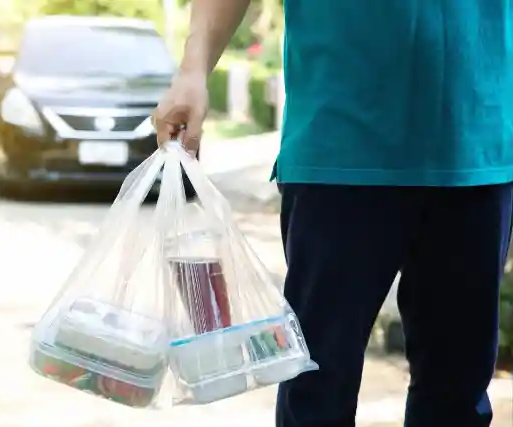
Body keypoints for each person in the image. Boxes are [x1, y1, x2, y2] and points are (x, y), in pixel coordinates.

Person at [152, 1, 513, 426]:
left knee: (457, 395)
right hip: (340, 148)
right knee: (317, 391)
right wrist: (193, 70)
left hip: (480, 141)